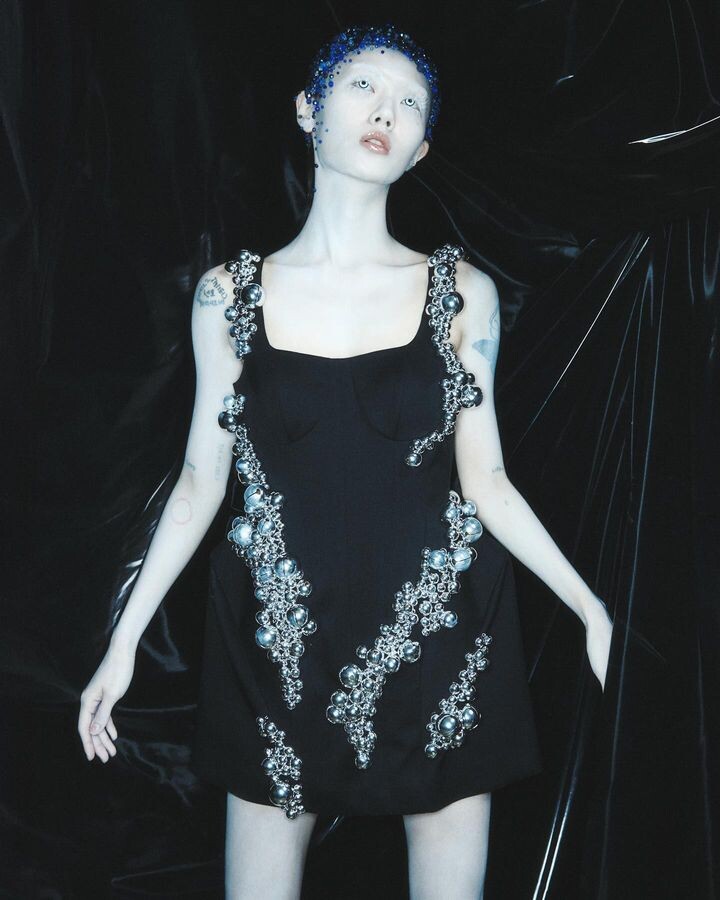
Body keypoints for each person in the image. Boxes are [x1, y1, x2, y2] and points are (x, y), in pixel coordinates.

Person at [78, 24, 613, 900]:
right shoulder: (226, 296)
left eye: (410, 103)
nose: (385, 112)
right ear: (309, 109)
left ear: (422, 148)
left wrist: (590, 608)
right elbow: (200, 482)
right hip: (276, 651)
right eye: (364, 85)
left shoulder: (462, 295)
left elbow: (487, 481)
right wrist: (124, 642)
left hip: (440, 639)